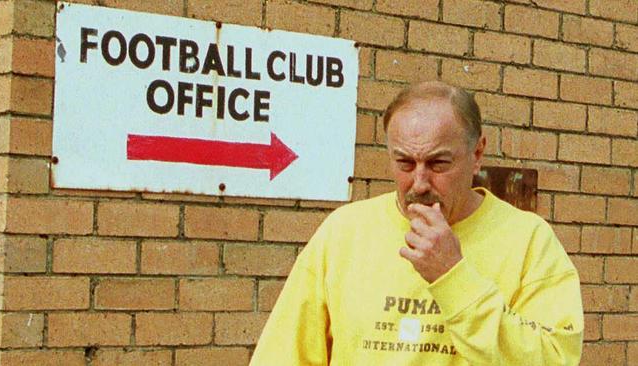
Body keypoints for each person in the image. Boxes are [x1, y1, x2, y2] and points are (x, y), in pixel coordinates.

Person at [250, 81, 583, 365]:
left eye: (438, 163)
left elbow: (555, 356)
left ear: (477, 152)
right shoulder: (343, 232)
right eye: (404, 163)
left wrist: (453, 278)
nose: (419, 182)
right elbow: (282, 355)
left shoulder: (528, 240)